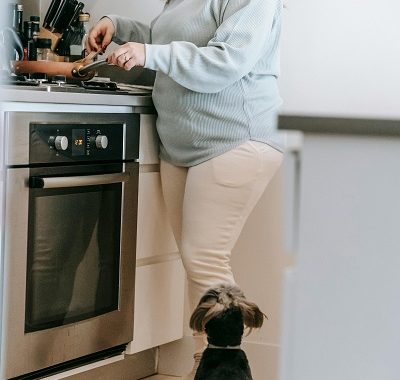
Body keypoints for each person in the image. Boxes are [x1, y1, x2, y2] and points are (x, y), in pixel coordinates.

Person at [87, 0, 284, 378]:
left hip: (235, 139)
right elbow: (170, 42)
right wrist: (120, 27)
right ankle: (204, 365)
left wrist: (147, 51)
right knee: (197, 263)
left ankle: (226, 369)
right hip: (182, 145)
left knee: (204, 256)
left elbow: (225, 61)